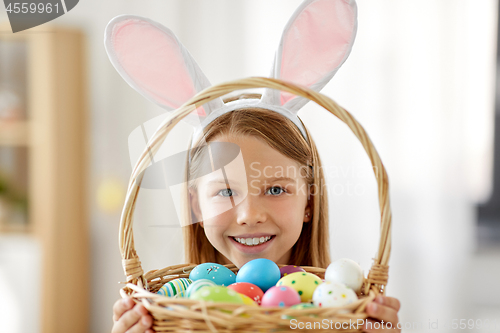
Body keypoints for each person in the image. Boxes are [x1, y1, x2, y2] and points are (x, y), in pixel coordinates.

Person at [106, 1, 401, 332]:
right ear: (196, 205)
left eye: (276, 189)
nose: (249, 214)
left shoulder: (344, 311)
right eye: (226, 191)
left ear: (309, 202)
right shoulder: (170, 310)